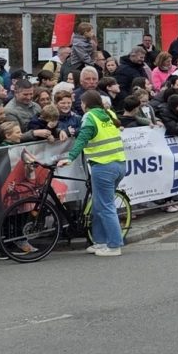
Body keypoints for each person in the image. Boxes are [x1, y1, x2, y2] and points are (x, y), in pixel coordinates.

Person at [58, 91, 127, 256]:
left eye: (81, 103)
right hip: (119, 164)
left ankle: (114, 245)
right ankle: (100, 241)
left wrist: (69, 158)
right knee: (99, 204)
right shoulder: (108, 113)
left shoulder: (89, 117)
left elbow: (82, 139)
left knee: (105, 206)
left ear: (85, 104)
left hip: (103, 166)